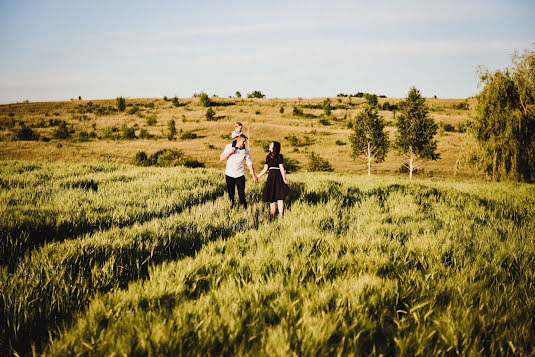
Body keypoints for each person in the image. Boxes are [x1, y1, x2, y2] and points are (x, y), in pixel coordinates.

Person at [220, 134, 258, 208]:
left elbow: (249, 163)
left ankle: (244, 209)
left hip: (240, 175)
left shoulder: (246, 151)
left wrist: (253, 175)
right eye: (243, 142)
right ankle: (231, 208)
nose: (244, 143)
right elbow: (221, 158)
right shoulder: (228, 147)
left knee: (241, 194)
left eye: (245, 142)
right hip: (229, 174)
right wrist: (230, 152)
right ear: (238, 141)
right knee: (231, 194)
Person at [257, 141, 290, 219]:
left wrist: (284, 178)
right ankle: (273, 215)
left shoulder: (279, 156)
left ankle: (281, 215)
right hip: (271, 177)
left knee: (279, 196)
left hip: (277, 176)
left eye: (271, 145)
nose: (269, 145)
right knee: (273, 196)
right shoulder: (268, 156)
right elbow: (265, 169)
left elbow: (282, 168)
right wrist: (257, 176)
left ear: (274, 147)